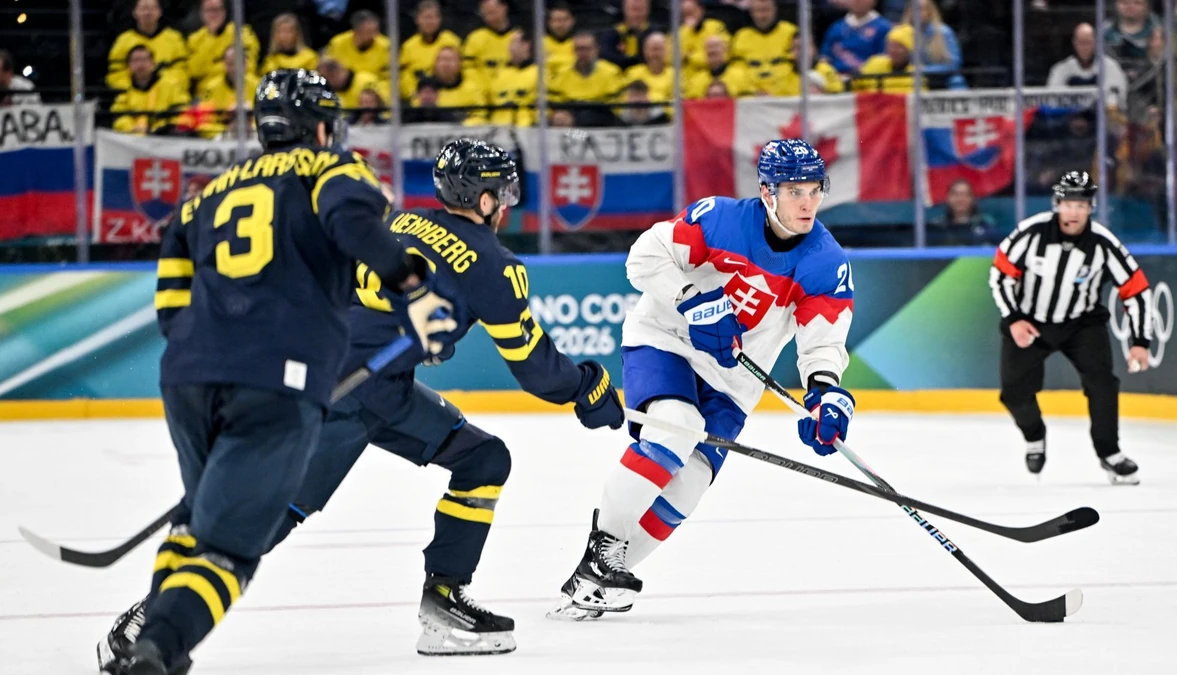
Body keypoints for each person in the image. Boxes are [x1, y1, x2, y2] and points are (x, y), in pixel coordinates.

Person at [99, 138, 623, 668]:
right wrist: (587, 388)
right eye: (501, 192)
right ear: (484, 199)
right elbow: (535, 367)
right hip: (348, 399)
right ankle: (151, 622)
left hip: (364, 383)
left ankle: (444, 602)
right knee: (258, 520)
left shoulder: (404, 223)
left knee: (484, 458)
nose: (507, 202)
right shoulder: (493, 264)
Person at [110, 69, 459, 675]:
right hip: (275, 383)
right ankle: (157, 650)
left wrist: (208, 352)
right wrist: (416, 292)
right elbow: (355, 227)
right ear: (321, 126)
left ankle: (155, 640)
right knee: (231, 552)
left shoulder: (206, 194)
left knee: (199, 521)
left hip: (187, 377)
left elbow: (170, 298)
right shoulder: (331, 169)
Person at [549, 139, 856, 619]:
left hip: (734, 380)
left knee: (690, 481)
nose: (807, 202)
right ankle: (603, 548)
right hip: (666, 339)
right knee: (677, 424)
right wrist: (693, 297)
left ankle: (604, 574)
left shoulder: (826, 260)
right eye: (794, 190)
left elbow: (822, 340)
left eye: (816, 189)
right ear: (767, 191)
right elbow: (642, 260)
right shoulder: (719, 219)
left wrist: (826, 391)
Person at [988, 171, 1150, 485]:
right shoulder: (1030, 233)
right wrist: (1014, 319)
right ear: (1057, 204)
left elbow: (1136, 289)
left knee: (1103, 384)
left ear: (1091, 208)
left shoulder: (1103, 243)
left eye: (1082, 205)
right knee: (1014, 392)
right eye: (1068, 203)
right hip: (1030, 321)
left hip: (1082, 324)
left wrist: (1140, 340)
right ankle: (1035, 436)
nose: (1074, 211)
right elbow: (1001, 275)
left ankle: (1110, 453)